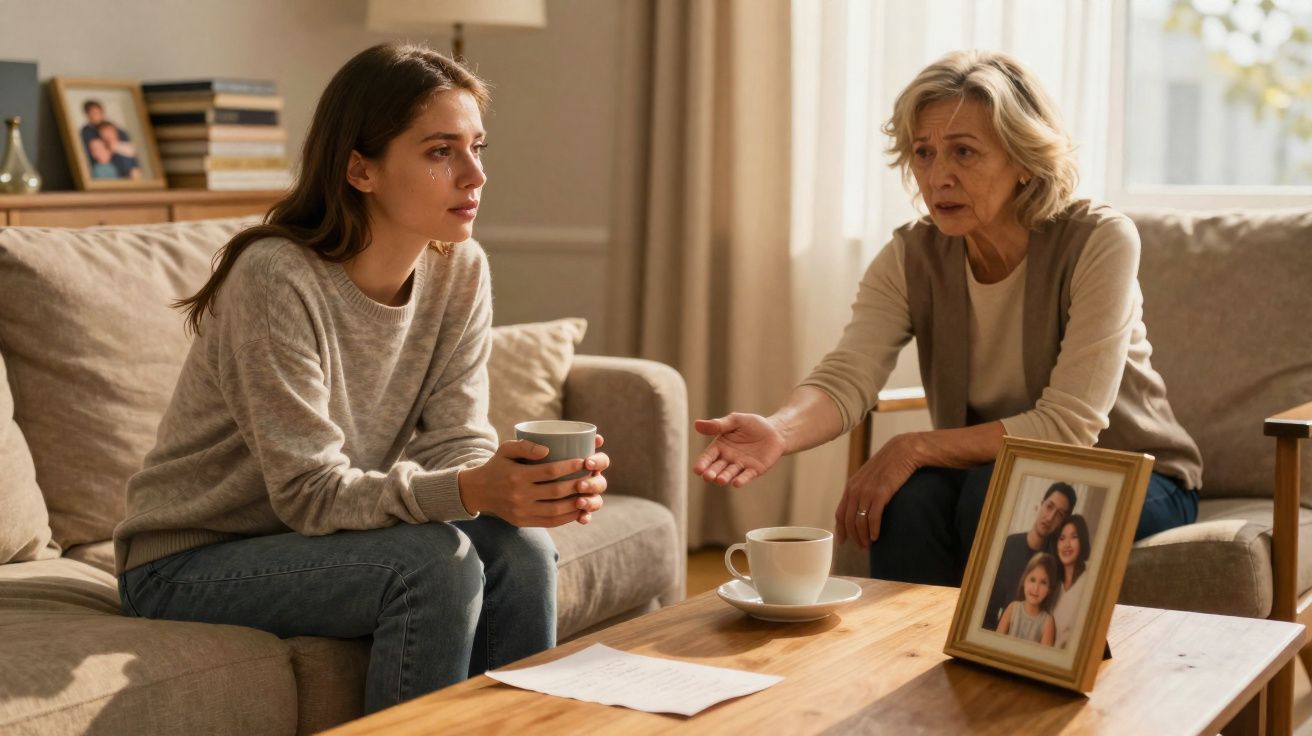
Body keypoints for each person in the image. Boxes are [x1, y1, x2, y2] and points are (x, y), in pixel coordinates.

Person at [112, 43, 611, 714]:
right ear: (361, 169)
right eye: (441, 151)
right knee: (435, 565)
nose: (476, 175)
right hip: (189, 561)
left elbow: (455, 440)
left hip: (317, 543)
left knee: (521, 548)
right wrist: (470, 488)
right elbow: (310, 494)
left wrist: (513, 489)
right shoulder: (275, 279)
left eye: (477, 147)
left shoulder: (460, 270)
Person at [691, 50, 1202, 589]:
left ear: (1023, 159)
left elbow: (1069, 428)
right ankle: (907, 668)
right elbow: (848, 375)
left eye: (964, 152)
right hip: (993, 471)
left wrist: (913, 447)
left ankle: (1002, 671)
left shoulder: (1099, 240)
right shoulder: (913, 257)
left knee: (1001, 493)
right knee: (908, 502)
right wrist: (778, 429)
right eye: (924, 153)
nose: (939, 177)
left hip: (1136, 475)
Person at [981, 481, 1074, 631]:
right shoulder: (1007, 546)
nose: (1050, 518)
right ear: (1041, 504)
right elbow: (987, 608)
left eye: (1059, 515)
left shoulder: (1057, 565)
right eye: (1049, 506)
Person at [995, 552, 1059, 645]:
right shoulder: (1013, 608)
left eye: (1043, 582)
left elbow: (1043, 656)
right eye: (1032, 580)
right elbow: (995, 642)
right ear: (1024, 580)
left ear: (1049, 589)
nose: (1036, 588)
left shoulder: (1048, 622)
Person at [1051, 514, 1092, 649]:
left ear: (1083, 540)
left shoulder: (1089, 579)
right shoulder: (1053, 585)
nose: (1067, 544)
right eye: (1062, 538)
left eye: (1074, 537)